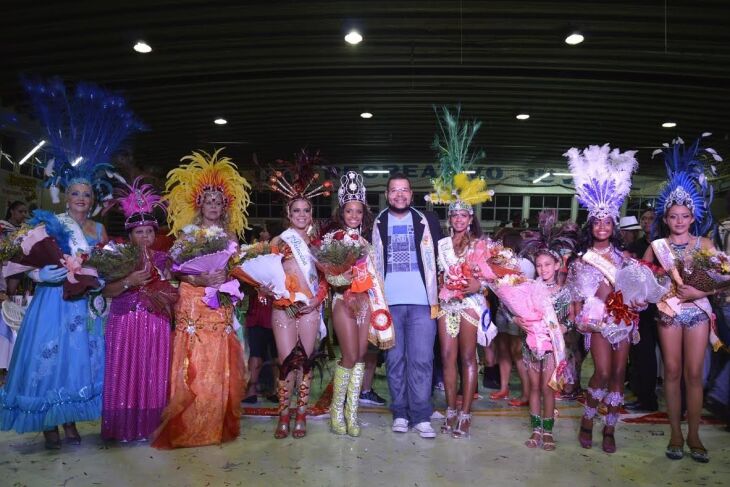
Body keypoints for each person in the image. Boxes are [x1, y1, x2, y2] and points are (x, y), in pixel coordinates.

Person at [0, 77, 136, 449]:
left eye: (86, 193)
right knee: (51, 360)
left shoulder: (98, 228)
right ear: (66, 196)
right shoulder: (48, 224)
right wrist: (43, 273)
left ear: (94, 198)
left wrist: (102, 273)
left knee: (79, 364)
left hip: (86, 307)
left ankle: (71, 420)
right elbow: (22, 261)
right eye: (75, 193)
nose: (80, 198)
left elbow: (108, 265)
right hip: (52, 302)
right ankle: (48, 423)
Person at [152, 149, 249, 449]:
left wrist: (231, 279)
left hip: (219, 302)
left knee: (218, 360)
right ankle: (189, 426)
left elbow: (237, 271)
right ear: (199, 204)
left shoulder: (232, 238)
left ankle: (212, 425)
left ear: (225, 206)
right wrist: (199, 278)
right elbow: (175, 270)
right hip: (193, 301)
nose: (213, 206)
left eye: (218, 202)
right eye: (208, 201)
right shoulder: (186, 236)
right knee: (193, 360)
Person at [642, 135, 721, 463]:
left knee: (694, 374)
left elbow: (722, 283)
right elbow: (641, 282)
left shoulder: (705, 245)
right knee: (671, 372)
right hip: (669, 314)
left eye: (684, 216)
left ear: (693, 217)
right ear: (666, 218)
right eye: (673, 216)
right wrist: (661, 283)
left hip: (698, 313)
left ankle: (694, 435)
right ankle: (675, 433)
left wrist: (700, 291)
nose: (678, 221)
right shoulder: (657, 246)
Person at [564, 144, 641, 454]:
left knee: (620, 374)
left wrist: (636, 301)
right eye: (597, 222)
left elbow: (635, 289)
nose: (602, 226)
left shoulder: (624, 258)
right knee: (603, 372)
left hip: (622, 319)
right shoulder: (582, 259)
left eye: (607, 222)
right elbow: (574, 293)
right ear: (590, 225)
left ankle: (610, 428)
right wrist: (584, 306)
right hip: (597, 321)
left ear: (614, 226)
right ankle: (588, 420)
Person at [426, 106, 494, 438]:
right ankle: (451, 408)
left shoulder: (481, 244)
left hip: (469, 306)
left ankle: (467, 412)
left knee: (469, 357)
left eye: (464, 216)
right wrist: (443, 284)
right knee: (448, 358)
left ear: (470, 218)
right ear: (450, 217)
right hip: (445, 306)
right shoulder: (439, 245)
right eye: (454, 216)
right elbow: (437, 275)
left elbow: (489, 280)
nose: (458, 220)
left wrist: (473, 286)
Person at [101, 178, 175, 442]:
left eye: (149, 231)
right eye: (139, 232)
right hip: (124, 324)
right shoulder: (116, 257)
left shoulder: (164, 260)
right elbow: (106, 291)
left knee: (154, 374)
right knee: (125, 374)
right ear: (130, 235)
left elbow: (172, 295)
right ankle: (122, 428)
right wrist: (127, 282)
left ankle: (151, 427)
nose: (145, 236)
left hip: (156, 325)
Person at [264, 149, 330, 439]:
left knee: (305, 362)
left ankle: (301, 413)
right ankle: (283, 414)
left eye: (306, 210)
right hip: (284, 309)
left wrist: (316, 300)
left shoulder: (319, 243)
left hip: (310, 308)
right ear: (288, 214)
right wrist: (266, 290)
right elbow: (266, 275)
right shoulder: (279, 241)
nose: (301, 215)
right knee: (286, 362)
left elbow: (328, 277)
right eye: (296, 211)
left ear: (311, 213)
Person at [372, 171, 443, 438]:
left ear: (411, 195)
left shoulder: (427, 221)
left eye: (404, 190)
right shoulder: (378, 222)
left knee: (423, 360)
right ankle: (400, 412)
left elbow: (441, 257)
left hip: (423, 303)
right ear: (387, 194)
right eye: (394, 190)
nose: (399, 194)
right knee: (394, 361)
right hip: (389, 304)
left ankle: (421, 415)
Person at [324, 171, 394, 436]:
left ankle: (352, 415)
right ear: (342, 212)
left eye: (358, 212)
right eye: (349, 211)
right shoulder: (334, 240)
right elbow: (331, 276)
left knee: (362, 355)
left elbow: (374, 277)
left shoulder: (367, 243)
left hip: (364, 302)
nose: (354, 216)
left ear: (363, 214)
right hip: (343, 300)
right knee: (350, 355)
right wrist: (345, 276)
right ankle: (336, 410)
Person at [519, 210, 577, 450]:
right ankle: (535, 429)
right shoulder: (529, 288)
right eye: (539, 265)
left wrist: (562, 328)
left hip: (554, 347)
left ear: (557, 264)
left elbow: (573, 319)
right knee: (533, 387)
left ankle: (548, 430)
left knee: (548, 388)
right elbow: (515, 312)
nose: (542, 269)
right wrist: (517, 320)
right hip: (531, 346)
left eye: (547, 265)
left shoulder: (564, 292)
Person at [626, 207, 659, 413]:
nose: (647, 222)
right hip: (641, 310)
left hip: (666, 308)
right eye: (644, 219)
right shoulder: (635, 246)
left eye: (651, 218)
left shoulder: (665, 245)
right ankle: (646, 398)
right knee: (642, 355)